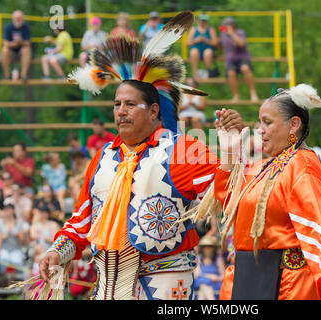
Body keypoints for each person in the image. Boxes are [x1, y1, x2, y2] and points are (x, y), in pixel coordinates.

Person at [36, 12, 243, 300]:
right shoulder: (103, 158)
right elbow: (83, 219)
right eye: (117, 103)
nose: (121, 111)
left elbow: (229, 195)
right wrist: (56, 252)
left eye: (131, 104)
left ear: (154, 111)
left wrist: (233, 154)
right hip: (108, 287)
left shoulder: (182, 151)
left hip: (165, 287)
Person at [202, 85, 321, 300]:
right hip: (247, 276)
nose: (259, 129)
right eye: (260, 122)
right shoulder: (264, 166)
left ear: (293, 125)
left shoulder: (302, 164)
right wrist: (229, 152)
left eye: (267, 122)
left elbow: (317, 220)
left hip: (284, 283)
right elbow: (230, 203)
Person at [219, 17, 258, 103]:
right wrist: (221, 54)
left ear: (232, 25)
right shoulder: (223, 35)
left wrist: (232, 34)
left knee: (245, 68)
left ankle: (253, 93)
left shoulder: (240, 32)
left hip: (242, 58)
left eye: (226, 25)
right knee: (231, 73)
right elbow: (221, 45)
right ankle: (235, 96)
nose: (225, 27)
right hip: (230, 60)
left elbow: (241, 44)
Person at [1, 10, 31, 80]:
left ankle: (23, 75)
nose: (18, 19)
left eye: (19, 18)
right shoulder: (8, 27)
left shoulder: (26, 27)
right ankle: (6, 75)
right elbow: (5, 42)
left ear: (23, 19)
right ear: (13, 18)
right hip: (11, 52)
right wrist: (14, 43)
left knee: (27, 49)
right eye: (16, 18)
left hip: (22, 53)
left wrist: (21, 42)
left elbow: (28, 43)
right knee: (5, 49)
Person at [186, 14, 218, 79]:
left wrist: (206, 41)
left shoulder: (211, 29)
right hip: (196, 49)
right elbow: (187, 43)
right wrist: (196, 40)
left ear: (207, 22)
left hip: (207, 48)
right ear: (198, 21)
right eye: (201, 21)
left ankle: (207, 72)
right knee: (194, 52)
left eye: (204, 21)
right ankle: (195, 73)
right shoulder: (193, 29)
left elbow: (215, 43)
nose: (203, 22)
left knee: (208, 52)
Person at [194, 235, 224, 300]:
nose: (207, 248)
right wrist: (210, 276)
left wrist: (216, 278)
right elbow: (197, 275)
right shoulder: (198, 258)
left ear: (213, 248)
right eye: (205, 246)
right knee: (203, 282)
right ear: (202, 248)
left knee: (202, 290)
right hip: (201, 283)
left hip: (215, 284)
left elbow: (223, 276)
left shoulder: (218, 259)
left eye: (210, 246)